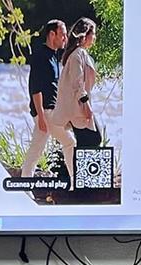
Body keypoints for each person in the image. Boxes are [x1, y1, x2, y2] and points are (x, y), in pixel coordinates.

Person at [48, 18, 99, 187]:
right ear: (85, 36)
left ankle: (79, 181)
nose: (95, 38)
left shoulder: (78, 53)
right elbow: (77, 83)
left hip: (78, 106)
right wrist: (86, 105)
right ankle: (82, 183)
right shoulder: (78, 54)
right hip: (77, 108)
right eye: (93, 34)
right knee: (92, 140)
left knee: (89, 140)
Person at [21, 20, 67, 178]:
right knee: (70, 142)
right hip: (45, 112)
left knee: (36, 150)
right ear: (52, 34)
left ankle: (25, 186)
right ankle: (74, 182)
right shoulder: (40, 56)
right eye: (62, 34)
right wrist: (40, 116)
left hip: (51, 111)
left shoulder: (53, 55)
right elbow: (35, 88)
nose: (65, 38)